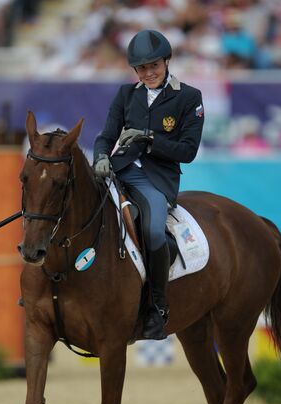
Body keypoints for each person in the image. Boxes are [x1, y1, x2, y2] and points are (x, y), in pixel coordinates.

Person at [93, 29, 204, 340]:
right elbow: (106, 135)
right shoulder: (126, 95)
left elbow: (188, 151)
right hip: (120, 170)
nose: (149, 72)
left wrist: (150, 138)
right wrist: (100, 155)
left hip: (158, 179)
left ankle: (157, 307)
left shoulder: (188, 97)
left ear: (166, 62)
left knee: (154, 229)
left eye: (154, 65)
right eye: (142, 68)